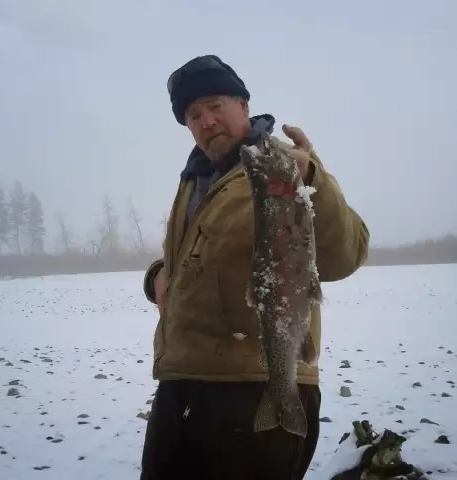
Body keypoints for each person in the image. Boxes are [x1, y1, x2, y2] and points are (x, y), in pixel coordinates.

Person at [140, 54, 370, 480]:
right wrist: (158, 276)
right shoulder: (193, 181)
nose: (206, 121)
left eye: (214, 106)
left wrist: (314, 180)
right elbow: (188, 257)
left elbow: (344, 256)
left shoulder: (281, 164)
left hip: (253, 386)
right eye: (193, 115)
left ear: (243, 105)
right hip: (181, 385)